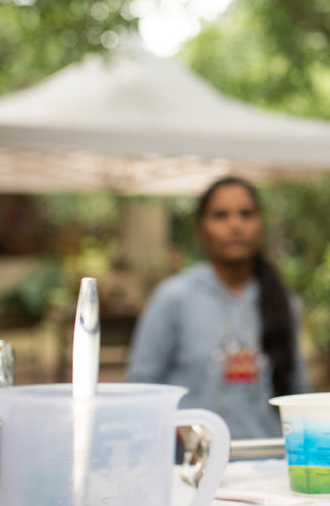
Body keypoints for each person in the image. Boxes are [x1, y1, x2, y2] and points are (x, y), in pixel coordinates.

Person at [127, 176, 307, 438]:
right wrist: (177, 429)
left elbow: (299, 392)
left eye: (246, 214)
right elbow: (140, 388)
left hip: (269, 464)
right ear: (200, 229)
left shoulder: (283, 302)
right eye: (221, 215)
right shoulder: (174, 298)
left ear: (261, 224)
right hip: (194, 470)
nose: (236, 225)